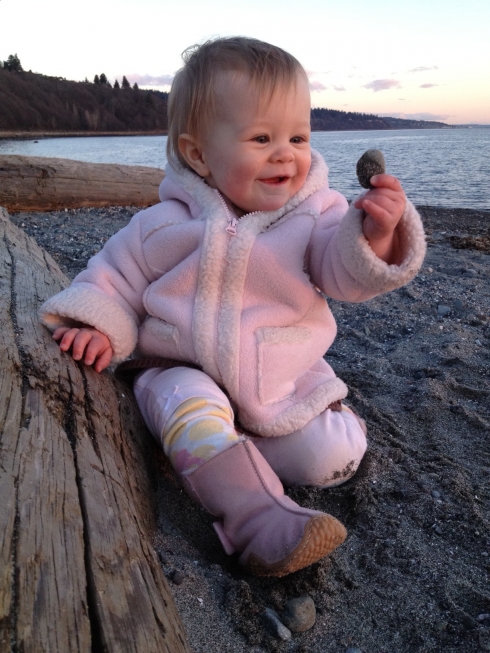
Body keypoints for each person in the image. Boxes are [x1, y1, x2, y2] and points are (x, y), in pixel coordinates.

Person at [39, 37, 426, 577]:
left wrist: (377, 235)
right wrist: (97, 324)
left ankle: (208, 459)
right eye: (261, 138)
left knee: (333, 459)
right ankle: (256, 521)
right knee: (187, 407)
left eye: (297, 136)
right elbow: (113, 277)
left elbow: (344, 275)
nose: (286, 153)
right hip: (179, 370)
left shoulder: (317, 217)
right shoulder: (164, 224)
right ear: (199, 153)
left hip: (276, 383)